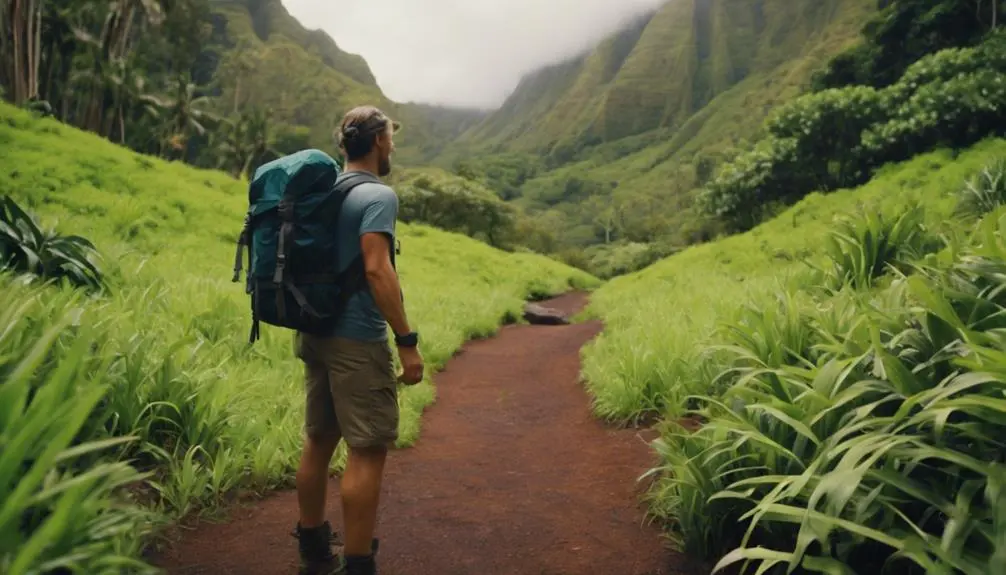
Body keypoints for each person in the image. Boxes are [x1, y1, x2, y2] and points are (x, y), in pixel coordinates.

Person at [292, 105, 425, 575]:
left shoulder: (324, 189)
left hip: (314, 330)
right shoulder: (378, 197)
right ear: (376, 143)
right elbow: (376, 268)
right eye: (390, 138)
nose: (392, 146)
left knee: (319, 438)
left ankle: (312, 549)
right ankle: (358, 563)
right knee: (367, 450)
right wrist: (406, 340)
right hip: (357, 339)